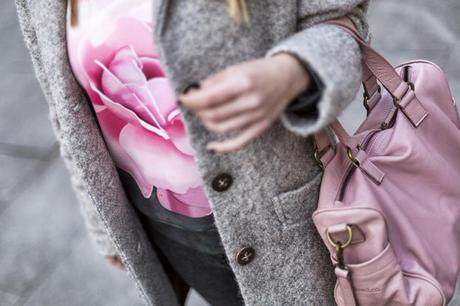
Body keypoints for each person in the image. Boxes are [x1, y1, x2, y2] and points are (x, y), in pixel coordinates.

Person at [15, 0, 370, 305]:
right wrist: (101, 223)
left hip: (283, 225)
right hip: (164, 231)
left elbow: (341, 22)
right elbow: (62, 103)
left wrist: (290, 73)